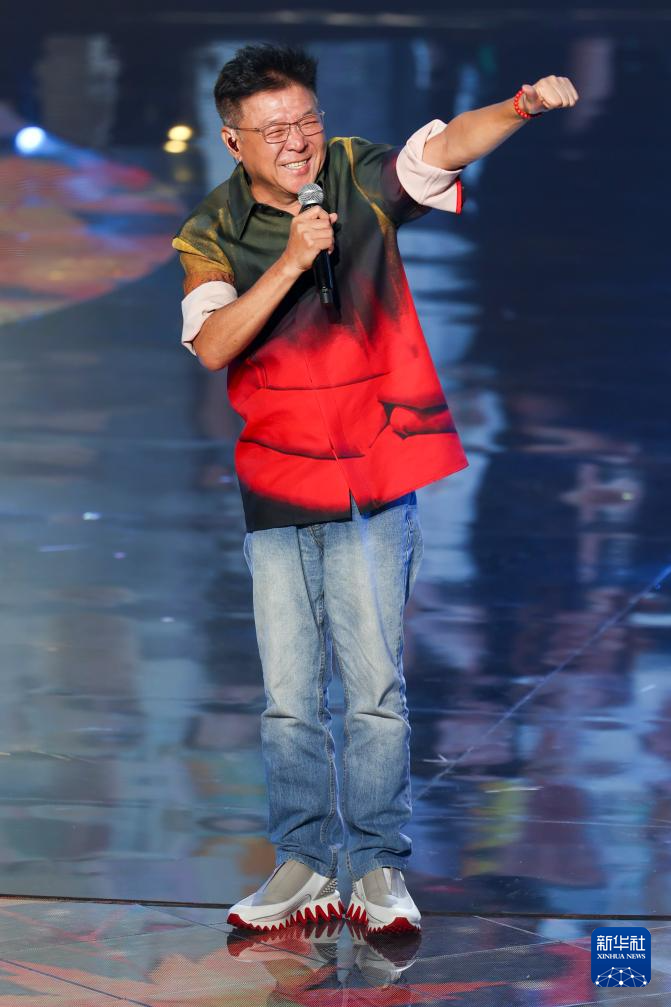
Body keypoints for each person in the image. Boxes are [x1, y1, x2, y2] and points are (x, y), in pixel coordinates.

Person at [172, 43, 578, 935]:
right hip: (279, 479)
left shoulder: (355, 175)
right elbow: (212, 343)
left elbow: (446, 147)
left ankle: (378, 865)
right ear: (233, 141)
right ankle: (303, 861)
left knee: (372, 690)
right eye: (274, 129)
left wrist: (518, 105)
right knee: (288, 694)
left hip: (374, 472)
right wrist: (290, 259)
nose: (297, 141)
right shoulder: (210, 228)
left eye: (306, 120)